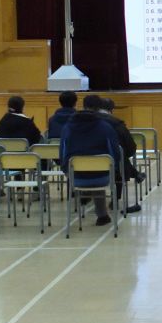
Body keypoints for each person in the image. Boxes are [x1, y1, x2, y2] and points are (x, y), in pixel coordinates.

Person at [59, 97, 123, 226]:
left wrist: (65, 170)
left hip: (76, 177)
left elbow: (63, 153)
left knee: (87, 171)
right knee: (98, 171)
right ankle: (102, 215)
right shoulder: (105, 127)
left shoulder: (67, 128)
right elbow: (115, 153)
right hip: (102, 176)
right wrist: (114, 168)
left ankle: (87, 196)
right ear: (99, 109)